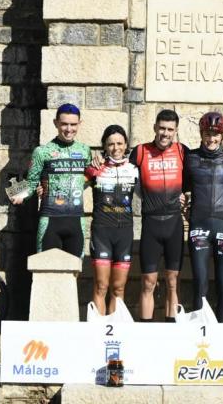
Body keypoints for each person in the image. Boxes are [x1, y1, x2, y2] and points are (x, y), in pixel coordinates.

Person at [129, 109, 188, 322]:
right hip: (151, 224)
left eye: (170, 129)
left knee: (173, 281)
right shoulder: (140, 151)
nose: (165, 133)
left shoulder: (183, 151)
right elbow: (117, 167)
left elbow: (200, 176)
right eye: (161, 128)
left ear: (176, 131)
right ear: (154, 127)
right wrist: (98, 160)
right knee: (148, 282)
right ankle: (146, 329)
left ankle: (171, 328)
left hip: (173, 223)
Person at [10, 103, 90, 257]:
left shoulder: (85, 150)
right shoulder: (42, 152)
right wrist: (18, 193)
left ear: (80, 124)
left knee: (73, 274)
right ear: (55, 123)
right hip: (50, 220)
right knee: (45, 273)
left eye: (73, 124)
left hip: (76, 221)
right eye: (64, 124)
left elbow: (89, 177)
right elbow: (32, 182)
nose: (68, 129)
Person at [183, 112, 223, 323]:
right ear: (201, 133)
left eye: (215, 134)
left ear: (222, 136)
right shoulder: (191, 158)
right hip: (199, 224)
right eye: (207, 133)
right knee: (200, 283)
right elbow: (182, 186)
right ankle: (199, 333)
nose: (211, 139)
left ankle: (221, 332)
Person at [84, 125, 139, 315]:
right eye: (111, 144)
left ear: (126, 145)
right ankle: (98, 333)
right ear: (104, 147)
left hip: (124, 232)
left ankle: (114, 335)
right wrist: (43, 188)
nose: (116, 148)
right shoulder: (95, 168)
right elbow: (70, 185)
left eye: (120, 143)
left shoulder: (134, 169)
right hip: (102, 232)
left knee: (119, 289)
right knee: (100, 286)